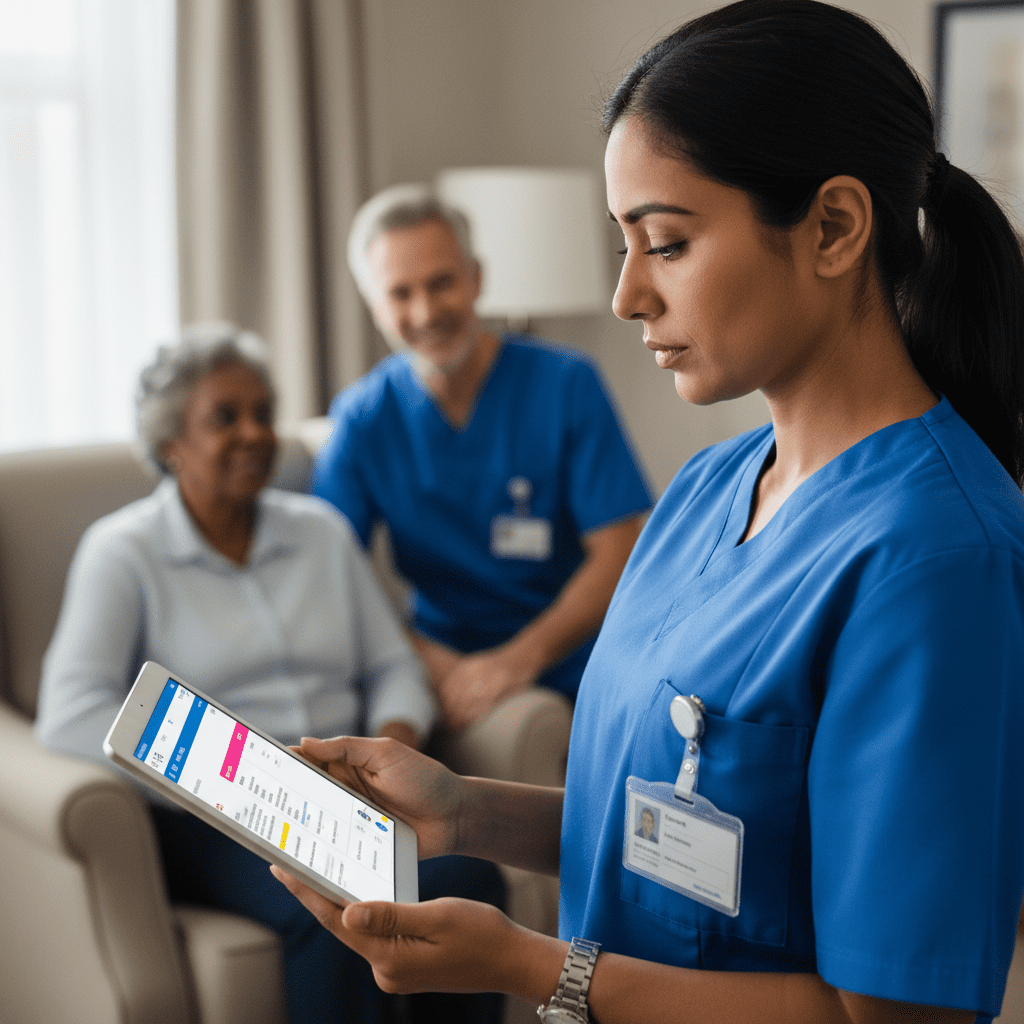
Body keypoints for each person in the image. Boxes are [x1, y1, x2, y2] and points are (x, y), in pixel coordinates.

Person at [272, 2, 1024, 1022]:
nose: (626, 294)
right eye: (622, 244)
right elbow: (670, 826)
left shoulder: (935, 561)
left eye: (663, 242)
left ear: (834, 227)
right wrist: (463, 810)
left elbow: (891, 1016)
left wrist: (531, 967)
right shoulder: (709, 488)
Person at [34, 325, 505, 1024]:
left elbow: (392, 667)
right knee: (336, 908)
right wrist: (228, 774)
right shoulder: (123, 553)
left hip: (347, 794)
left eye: (262, 412)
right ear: (171, 443)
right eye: (225, 418)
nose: (256, 433)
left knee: (468, 879)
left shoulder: (321, 532)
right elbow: (70, 713)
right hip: (213, 813)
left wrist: (388, 750)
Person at [310, 184, 653, 727]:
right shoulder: (364, 417)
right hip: (437, 664)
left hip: (572, 659)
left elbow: (619, 551)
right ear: (376, 307)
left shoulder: (565, 383)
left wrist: (517, 662)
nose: (424, 311)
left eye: (441, 283)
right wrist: (430, 663)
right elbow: (326, 567)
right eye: (400, 294)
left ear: (476, 279)